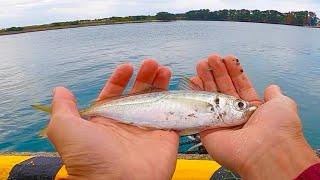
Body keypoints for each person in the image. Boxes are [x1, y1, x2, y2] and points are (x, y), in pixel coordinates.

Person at [47, 54, 320, 180]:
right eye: (239, 105)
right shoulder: (211, 105)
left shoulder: (216, 108)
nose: (247, 108)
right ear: (217, 104)